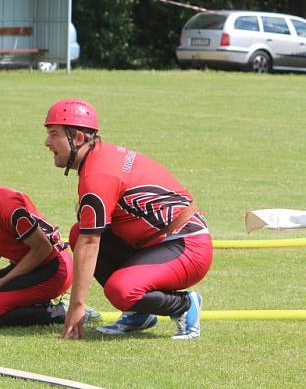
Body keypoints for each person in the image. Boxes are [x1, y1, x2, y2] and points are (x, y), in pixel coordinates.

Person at [43, 98, 213, 340]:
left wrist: (77, 305)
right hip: (158, 240)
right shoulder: (98, 157)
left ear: (78, 138)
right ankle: (139, 313)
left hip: (188, 247)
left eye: (54, 134)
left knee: (120, 290)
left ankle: (184, 305)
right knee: (78, 233)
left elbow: (91, 243)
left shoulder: (98, 174)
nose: (47, 142)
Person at [0, 132, 99, 327]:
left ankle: (60, 310)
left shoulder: (5, 204)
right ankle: (33, 302)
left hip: (53, 269)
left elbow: (43, 248)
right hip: (24, 266)